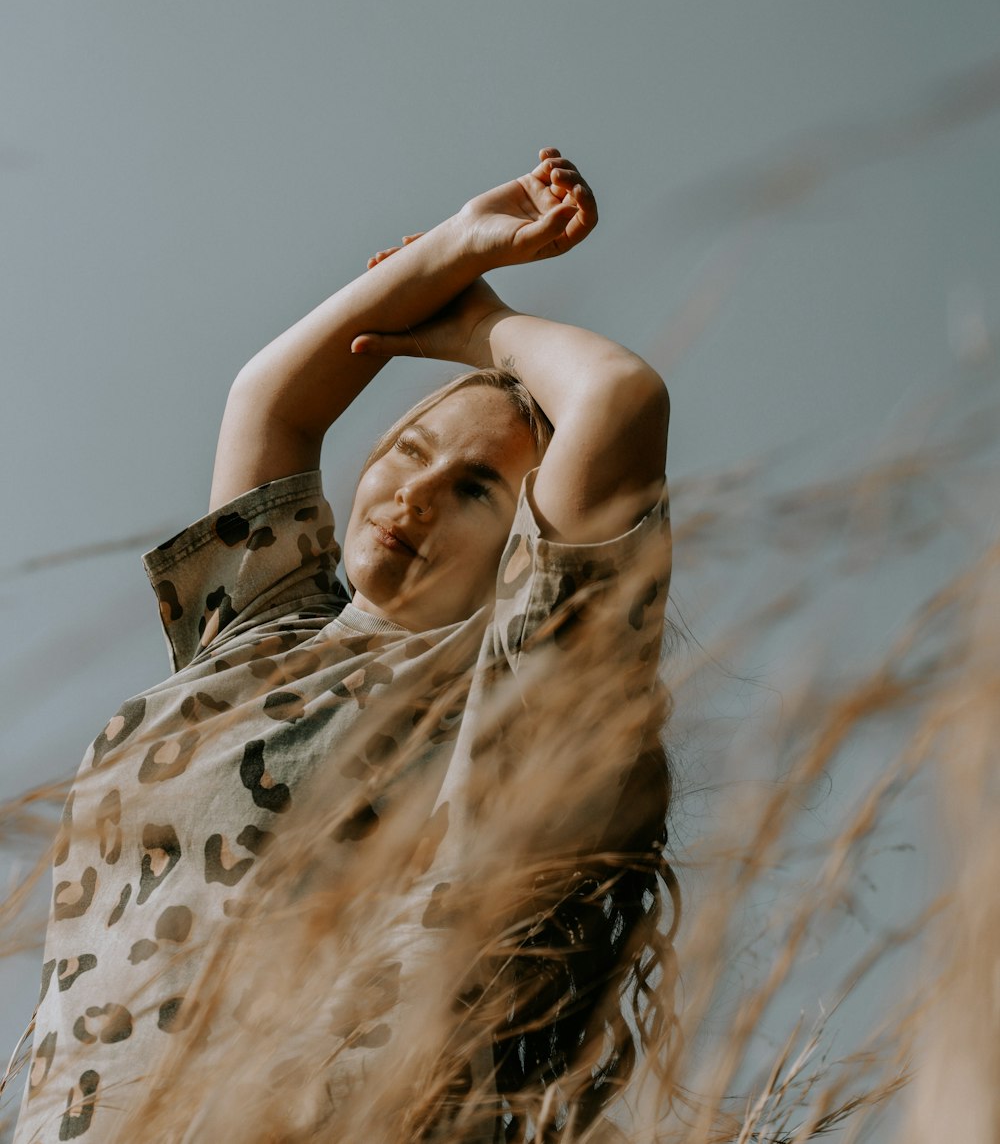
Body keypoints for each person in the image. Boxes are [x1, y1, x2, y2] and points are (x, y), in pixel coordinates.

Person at [11, 150, 675, 1144]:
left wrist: (471, 327)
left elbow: (619, 400)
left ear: (522, 547)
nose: (416, 493)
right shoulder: (255, 633)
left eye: (475, 491)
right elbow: (271, 398)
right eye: (411, 452)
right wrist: (454, 243)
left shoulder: (517, 704)